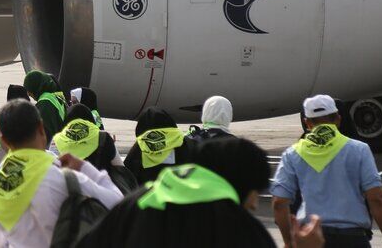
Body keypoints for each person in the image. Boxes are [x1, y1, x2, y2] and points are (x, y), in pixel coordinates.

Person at [77, 135, 283, 248]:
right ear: (242, 181)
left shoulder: (136, 203)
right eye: (256, 190)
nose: (255, 203)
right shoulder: (242, 229)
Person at [0, 99, 123, 248]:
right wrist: (85, 168)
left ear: (3, 140)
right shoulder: (63, 178)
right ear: (41, 129)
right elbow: (117, 203)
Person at [271, 94, 382, 248]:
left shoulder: (292, 154)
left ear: (307, 123)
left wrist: (289, 242)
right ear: (338, 119)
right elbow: (377, 198)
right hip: (353, 239)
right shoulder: (359, 150)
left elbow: (279, 203)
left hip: (312, 238)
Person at [49, 104, 121, 179]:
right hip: (100, 186)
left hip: (68, 187)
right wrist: (109, 145)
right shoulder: (103, 137)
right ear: (90, 118)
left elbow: (52, 168)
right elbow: (119, 167)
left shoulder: (57, 140)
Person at [124, 107, 191, 184]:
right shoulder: (182, 141)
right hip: (179, 189)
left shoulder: (141, 146)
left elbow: (128, 174)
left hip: (149, 192)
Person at [22, 70, 67, 139]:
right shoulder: (55, 96)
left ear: (35, 87)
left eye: (29, 90)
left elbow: (45, 134)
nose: (28, 94)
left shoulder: (45, 104)